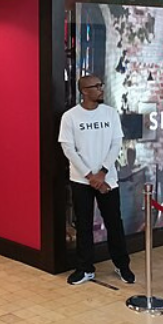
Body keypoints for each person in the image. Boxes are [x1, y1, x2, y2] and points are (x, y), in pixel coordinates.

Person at [59, 75, 135, 285]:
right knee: (83, 225)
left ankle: (122, 265)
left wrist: (101, 173)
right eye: (96, 86)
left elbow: (116, 144)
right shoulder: (70, 117)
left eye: (101, 85)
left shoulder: (110, 114)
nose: (101, 89)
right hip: (81, 180)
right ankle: (85, 268)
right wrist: (89, 176)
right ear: (84, 91)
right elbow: (68, 149)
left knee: (114, 223)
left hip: (107, 179)